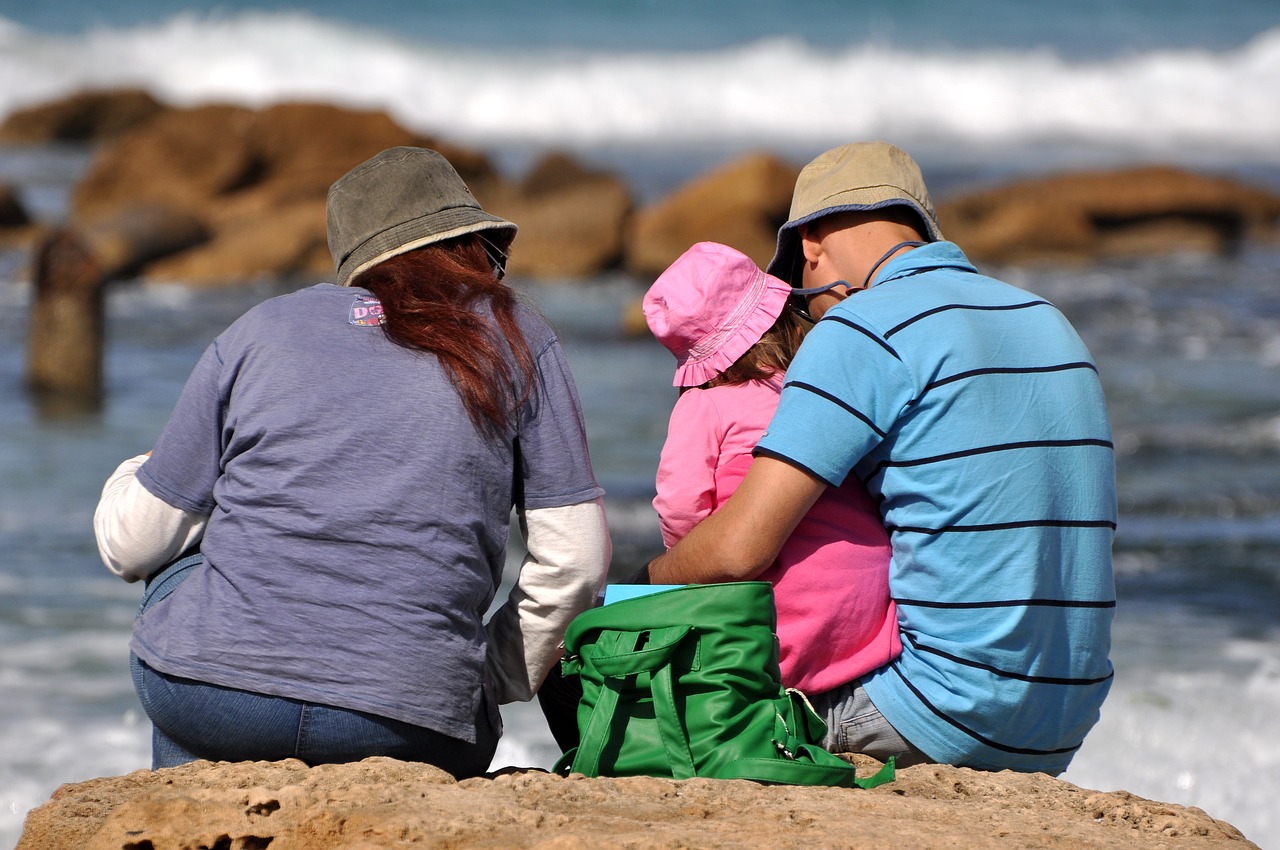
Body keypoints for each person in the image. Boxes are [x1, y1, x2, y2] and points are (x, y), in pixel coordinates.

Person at [94, 146, 611, 777]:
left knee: (189, 557)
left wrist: (135, 469)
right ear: (474, 249)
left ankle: (186, 814)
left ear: (353, 261)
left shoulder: (261, 329)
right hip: (413, 721)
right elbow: (578, 562)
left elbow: (133, 546)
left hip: (217, 701)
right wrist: (486, 675)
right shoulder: (520, 337)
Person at [647, 142, 1116, 775]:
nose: (806, 306)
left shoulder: (862, 328)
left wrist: (643, 587)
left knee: (647, 692)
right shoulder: (1048, 319)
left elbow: (739, 553)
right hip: (1066, 717)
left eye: (800, 283)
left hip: (938, 713)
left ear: (811, 244)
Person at [643, 241, 899, 695]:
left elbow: (681, 504)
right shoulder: (817, 392)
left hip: (788, 628)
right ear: (780, 315)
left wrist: (689, 563)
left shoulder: (705, 404)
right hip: (873, 616)